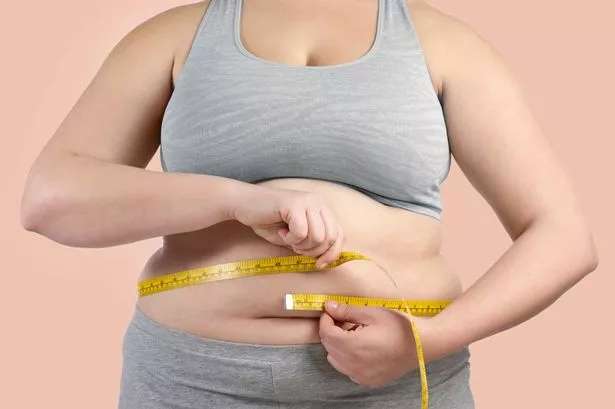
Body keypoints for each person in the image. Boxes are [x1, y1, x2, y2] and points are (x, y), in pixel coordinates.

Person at [20, 0, 598, 408]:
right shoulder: (173, 36)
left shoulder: (446, 44)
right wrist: (233, 199)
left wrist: (424, 342)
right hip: (191, 381)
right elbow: (50, 200)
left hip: (396, 385)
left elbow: (563, 236)